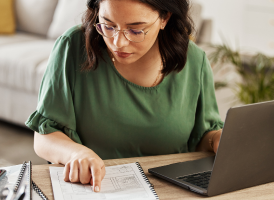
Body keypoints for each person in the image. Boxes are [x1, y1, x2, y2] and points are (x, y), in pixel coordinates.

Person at [25, 0, 223, 193]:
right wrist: (76, 153)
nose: (118, 43)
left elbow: (203, 137)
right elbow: (44, 137)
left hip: (172, 193)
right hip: (96, 191)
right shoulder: (73, 47)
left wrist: (217, 139)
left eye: (135, 30)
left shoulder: (196, 62)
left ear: (165, 18)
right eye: (108, 26)